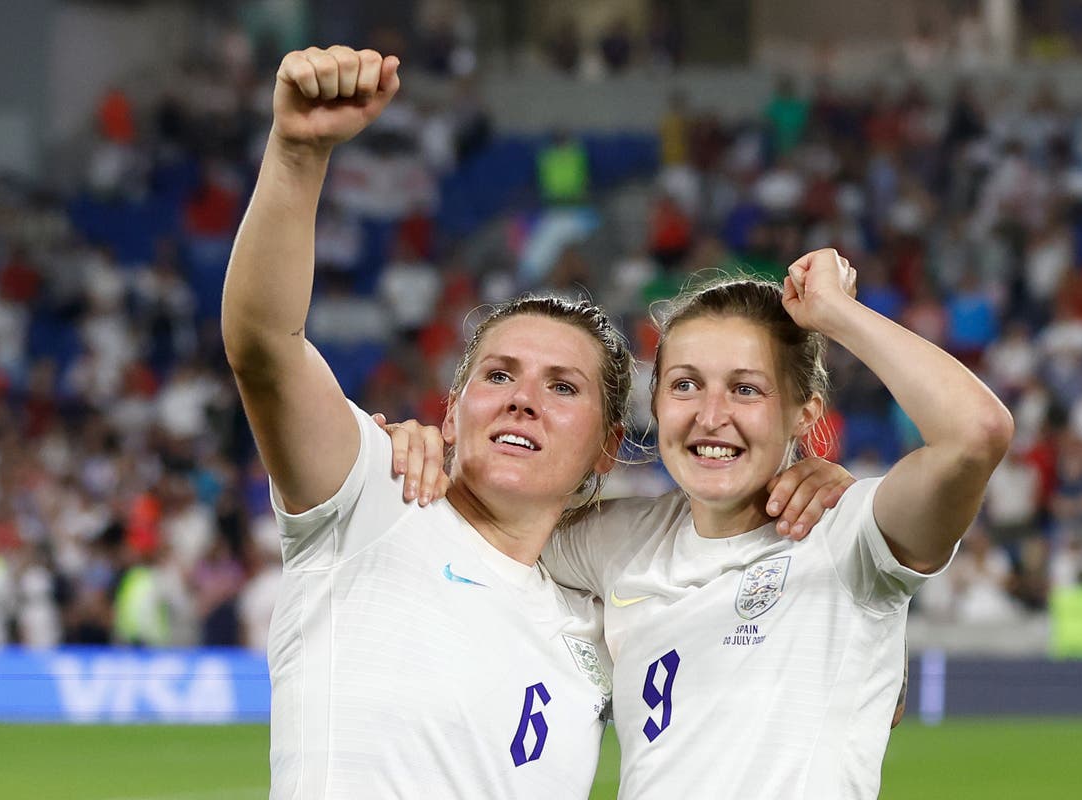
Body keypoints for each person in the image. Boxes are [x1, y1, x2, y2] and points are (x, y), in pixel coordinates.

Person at [222, 45, 848, 798]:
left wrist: (809, 499)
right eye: (498, 375)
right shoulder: (372, 499)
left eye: (562, 387)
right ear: (452, 411)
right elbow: (264, 345)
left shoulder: (607, 612)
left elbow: (826, 690)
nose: (523, 399)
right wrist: (297, 152)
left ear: (606, 446)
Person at [392, 252, 1012, 797]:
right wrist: (411, 451)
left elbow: (975, 434)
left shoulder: (844, 532)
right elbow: (483, 521)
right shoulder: (612, 541)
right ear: (655, 404)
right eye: (686, 385)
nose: (711, 416)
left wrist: (837, 315)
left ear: (805, 414)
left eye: (746, 390)